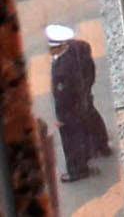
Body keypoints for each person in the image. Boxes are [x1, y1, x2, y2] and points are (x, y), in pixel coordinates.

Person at [46, 25, 110, 181]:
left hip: (70, 108)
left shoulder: (61, 69)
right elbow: (90, 70)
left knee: (72, 138)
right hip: (83, 96)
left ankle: (77, 169)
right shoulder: (79, 47)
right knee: (91, 117)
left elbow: (62, 98)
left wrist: (61, 119)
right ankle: (102, 146)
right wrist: (87, 89)